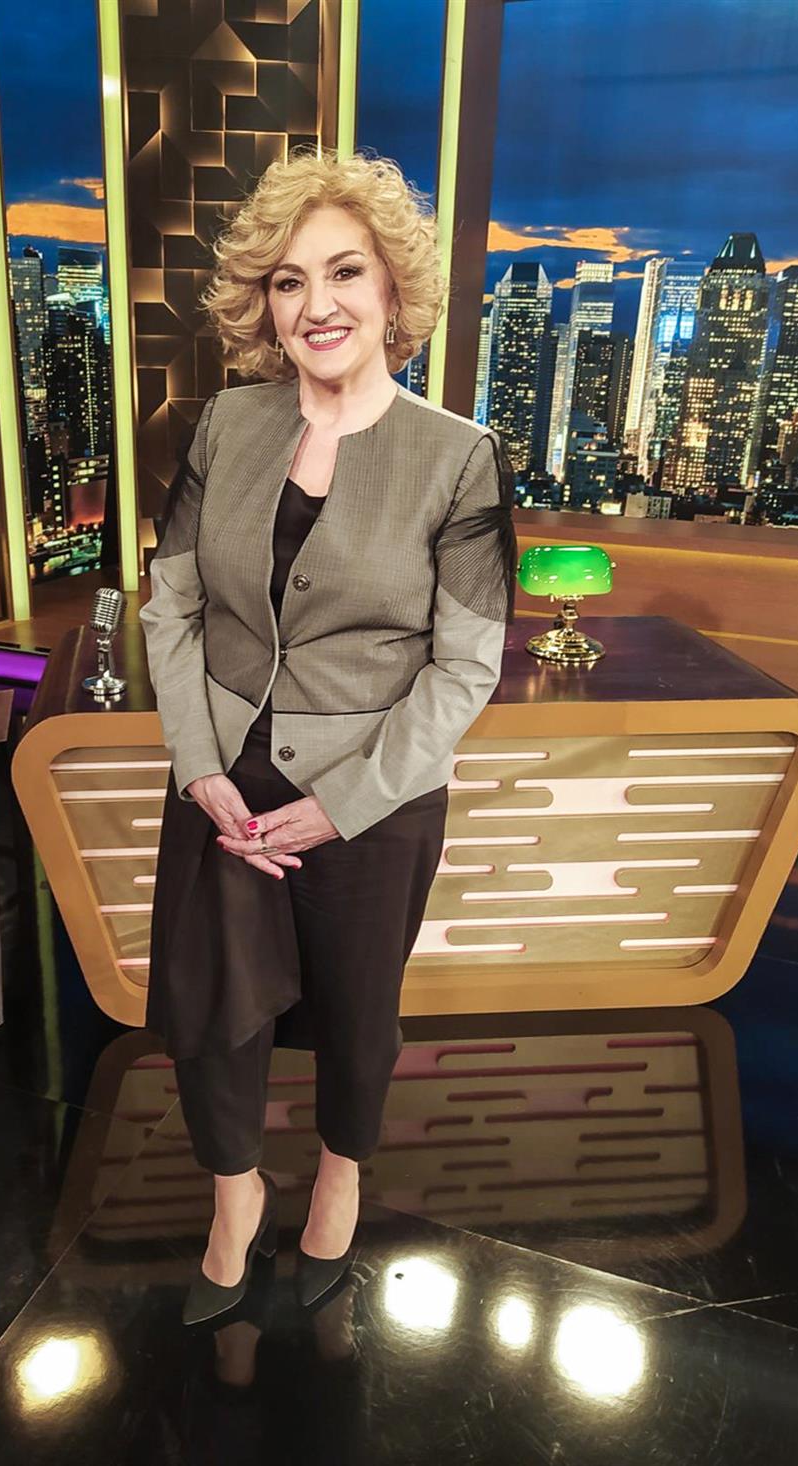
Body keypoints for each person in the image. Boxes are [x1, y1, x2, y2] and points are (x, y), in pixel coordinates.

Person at [139, 149, 517, 1326]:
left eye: (345, 272)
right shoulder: (226, 423)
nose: (318, 304)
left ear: (392, 289)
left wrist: (346, 801)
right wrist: (199, 768)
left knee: (357, 1009)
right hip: (225, 778)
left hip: (373, 793)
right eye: (290, 280)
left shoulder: (458, 456)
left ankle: (341, 1179)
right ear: (264, 302)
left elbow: (465, 665)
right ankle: (235, 1195)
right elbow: (170, 608)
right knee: (214, 1005)